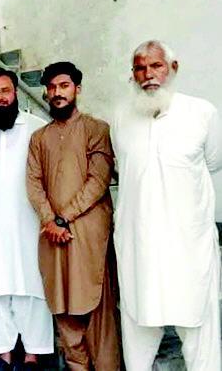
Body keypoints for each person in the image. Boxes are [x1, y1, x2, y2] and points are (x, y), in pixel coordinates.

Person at [111, 40, 221, 370]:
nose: (148, 74)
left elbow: (213, 162)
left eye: (156, 65)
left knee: (198, 324)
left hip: (189, 244)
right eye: (140, 68)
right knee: (138, 322)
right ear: (133, 74)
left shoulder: (202, 113)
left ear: (173, 68)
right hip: (139, 244)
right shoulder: (121, 116)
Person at [26, 62, 120, 370]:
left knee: (98, 310)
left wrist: (62, 218)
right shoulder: (39, 138)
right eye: (52, 87)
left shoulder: (96, 129)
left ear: (77, 89)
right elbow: (34, 183)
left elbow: (98, 180)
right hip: (54, 236)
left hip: (88, 235)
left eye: (64, 86)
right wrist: (49, 220)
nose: (57, 93)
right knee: (63, 306)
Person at [0, 69, 53, 370]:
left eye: (4, 91)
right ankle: (2, 352)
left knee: (32, 285)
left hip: (30, 223)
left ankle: (33, 353)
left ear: (15, 93)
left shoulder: (37, 128)